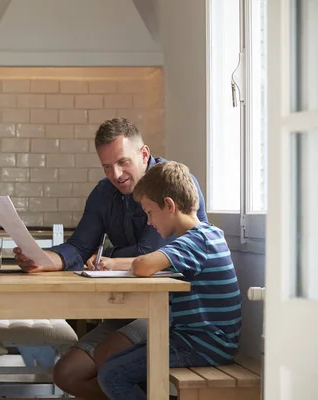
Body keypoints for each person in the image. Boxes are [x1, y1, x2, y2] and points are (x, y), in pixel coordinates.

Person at [12, 118, 209, 399]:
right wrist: (42, 259)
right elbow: (79, 246)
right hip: (129, 311)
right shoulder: (103, 193)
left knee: (109, 361)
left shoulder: (174, 185)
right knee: (67, 374)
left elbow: (148, 255)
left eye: (123, 162)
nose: (115, 174)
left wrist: (107, 257)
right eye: (107, 166)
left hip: (172, 313)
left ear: (144, 154)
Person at [96, 161, 242, 400]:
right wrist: (116, 263)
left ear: (169, 205)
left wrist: (126, 263)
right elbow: (149, 262)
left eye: (150, 212)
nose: (149, 222)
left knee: (112, 374)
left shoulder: (195, 241)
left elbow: (143, 266)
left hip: (203, 345)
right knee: (113, 364)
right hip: (202, 340)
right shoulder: (206, 234)